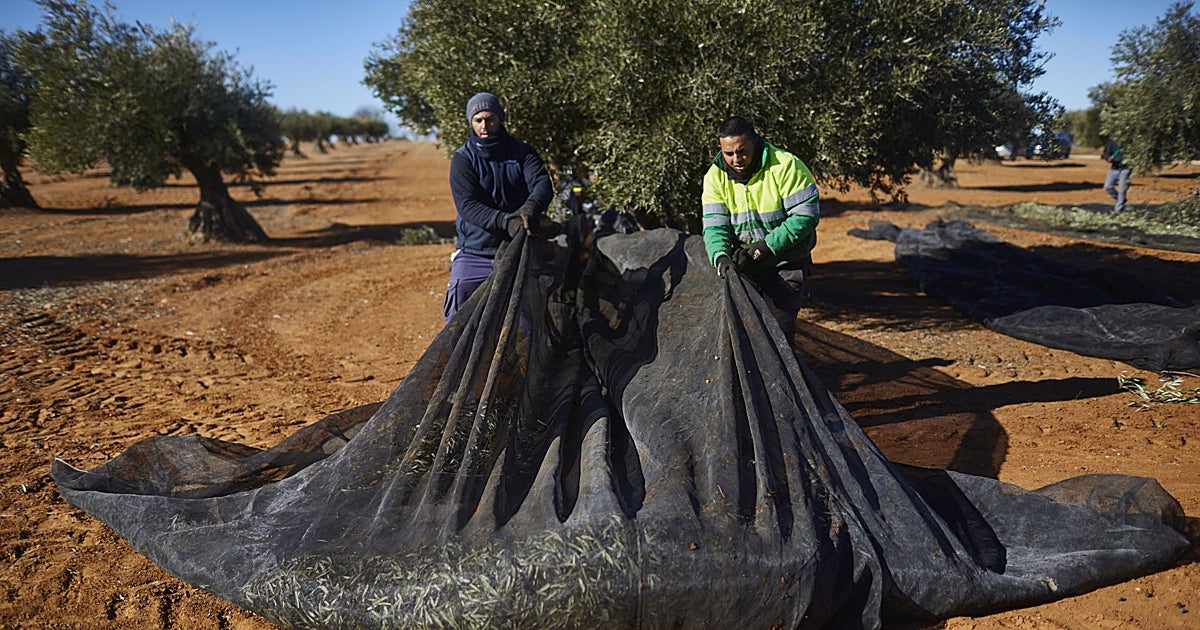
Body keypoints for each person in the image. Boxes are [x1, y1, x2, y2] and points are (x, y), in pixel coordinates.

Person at [701, 116, 820, 337]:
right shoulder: (714, 177)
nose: (736, 159)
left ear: (755, 141)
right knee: (747, 336)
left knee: (779, 335)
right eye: (729, 153)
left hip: (786, 264)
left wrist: (766, 247)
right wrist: (721, 257)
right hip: (746, 267)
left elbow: (805, 216)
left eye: (742, 151)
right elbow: (714, 226)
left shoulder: (786, 166)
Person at [444, 92, 554, 322]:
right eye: (478, 120)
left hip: (519, 247)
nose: (484, 126)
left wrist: (531, 207)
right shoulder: (463, 159)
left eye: (490, 119)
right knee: (457, 314)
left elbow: (542, 183)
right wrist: (506, 221)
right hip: (475, 251)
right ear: (471, 122)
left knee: (527, 320)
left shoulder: (523, 153)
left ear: (500, 119)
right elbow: (467, 206)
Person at [1101, 139, 1131, 212]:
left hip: (1125, 169)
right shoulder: (1112, 142)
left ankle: (1118, 211)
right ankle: (1121, 200)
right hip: (1114, 169)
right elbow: (1106, 154)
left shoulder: (1129, 142)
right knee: (1108, 187)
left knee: (1122, 190)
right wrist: (1108, 158)